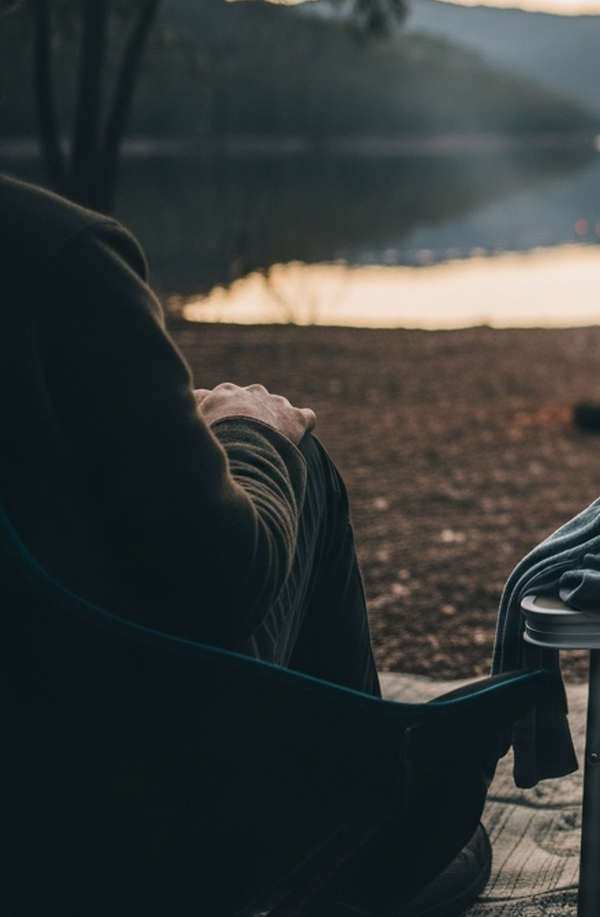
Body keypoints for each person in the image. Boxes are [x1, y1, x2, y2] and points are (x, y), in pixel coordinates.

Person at [0, 174, 489, 917]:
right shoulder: (52, 255)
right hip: (93, 816)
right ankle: (365, 827)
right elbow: (227, 588)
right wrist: (248, 434)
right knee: (299, 457)